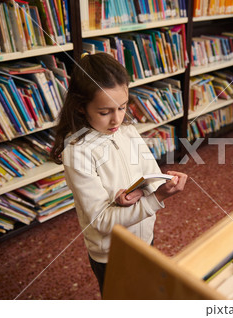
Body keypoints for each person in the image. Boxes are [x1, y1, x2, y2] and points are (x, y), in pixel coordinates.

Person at [50, 53, 187, 296]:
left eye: (122, 108)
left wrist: (146, 189)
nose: (117, 119)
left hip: (144, 237)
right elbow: (101, 221)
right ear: (81, 107)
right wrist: (157, 199)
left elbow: (151, 174)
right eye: (105, 112)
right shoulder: (77, 152)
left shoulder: (127, 131)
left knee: (145, 294)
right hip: (111, 253)